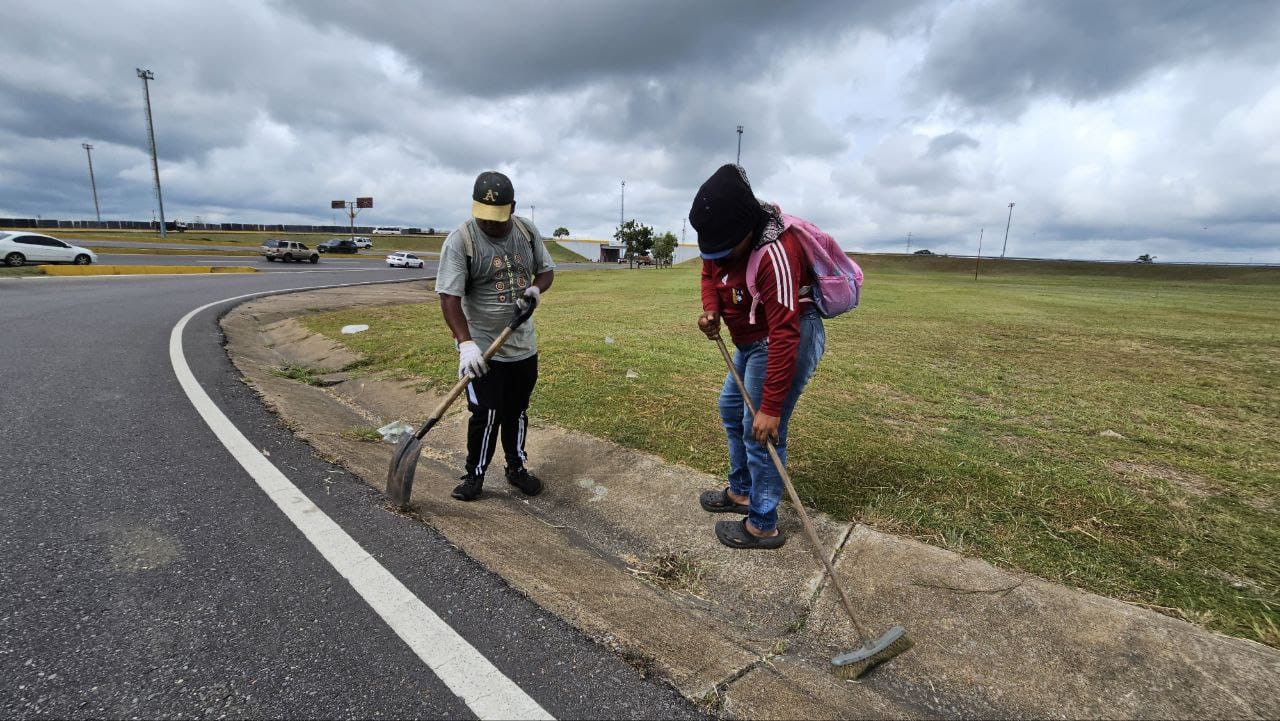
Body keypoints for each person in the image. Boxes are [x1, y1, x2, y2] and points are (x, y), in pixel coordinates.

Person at [690, 164, 826, 550]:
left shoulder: (775, 253)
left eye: (724, 249)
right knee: (731, 409)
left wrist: (770, 406)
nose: (717, 257)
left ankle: (763, 524)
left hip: (782, 341)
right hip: (750, 341)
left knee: (762, 429)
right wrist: (711, 308)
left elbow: (786, 333)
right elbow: (709, 272)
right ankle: (742, 492)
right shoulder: (721, 238)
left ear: (747, 229)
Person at [435, 171, 556, 501]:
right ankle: (474, 475)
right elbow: (449, 298)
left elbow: (546, 271)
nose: (489, 225)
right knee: (486, 414)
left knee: (516, 411)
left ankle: (516, 468)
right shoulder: (461, 241)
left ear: (512, 208)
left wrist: (534, 289)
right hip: (482, 349)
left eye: (497, 219)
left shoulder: (526, 231)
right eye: (483, 218)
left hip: (522, 347)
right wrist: (465, 344)